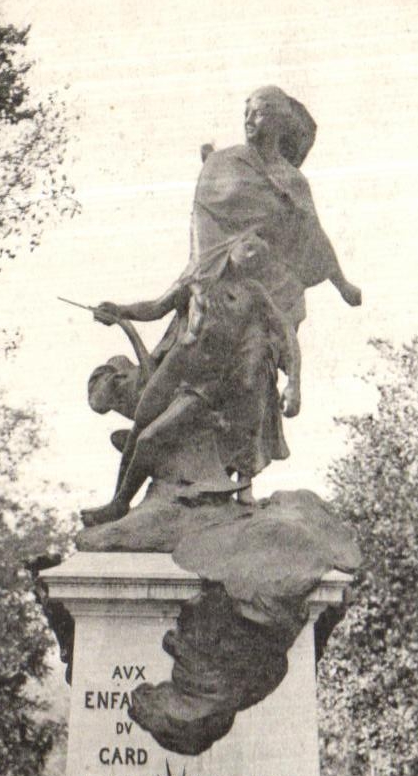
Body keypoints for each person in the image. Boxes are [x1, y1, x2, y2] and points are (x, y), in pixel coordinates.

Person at [84, 86, 361, 522]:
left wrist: (342, 284)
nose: (251, 119)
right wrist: (117, 310)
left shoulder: (292, 181)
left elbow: (314, 237)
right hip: (202, 300)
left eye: (262, 112)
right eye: (247, 111)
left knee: (248, 384)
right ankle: (121, 500)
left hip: (252, 306)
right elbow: (173, 274)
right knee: (145, 419)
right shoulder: (223, 163)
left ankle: (238, 485)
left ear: (280, 121)